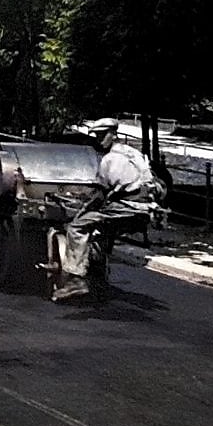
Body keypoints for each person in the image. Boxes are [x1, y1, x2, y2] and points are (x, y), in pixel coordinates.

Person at [54, 118, 167, 302]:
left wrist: (84, 207)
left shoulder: (109, 160)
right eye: (97, 136)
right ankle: (97, 273)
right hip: (147, 206)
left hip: (127, 205)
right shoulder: (133, 153)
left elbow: (99, 194)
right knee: (101, 231)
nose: (99, 139)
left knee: (77, 227)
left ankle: (76, 278)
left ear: (113, 134)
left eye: (102, 135)